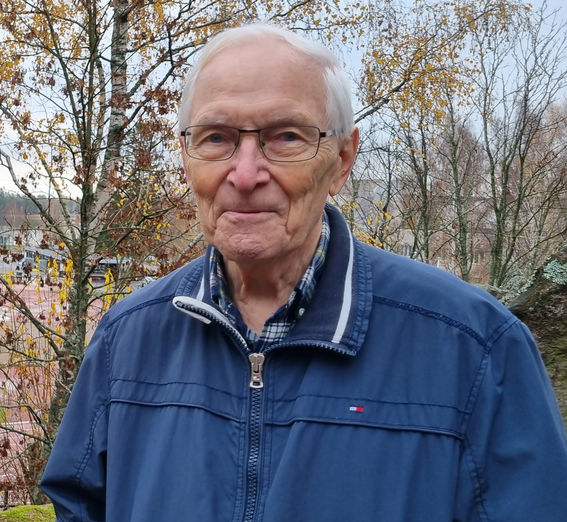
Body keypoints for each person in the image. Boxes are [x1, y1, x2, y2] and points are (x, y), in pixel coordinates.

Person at [41, 22, 567, 522]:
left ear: (342, 159)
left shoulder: (474, 348)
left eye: (286, 136)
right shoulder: (126, 342)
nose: (245, 174)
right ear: (186, 157)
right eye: (216, 138)